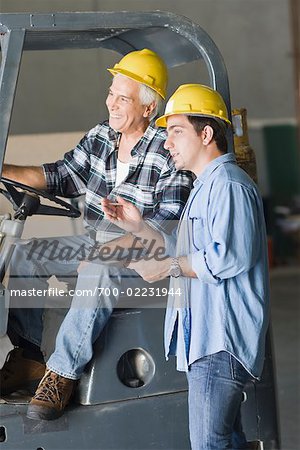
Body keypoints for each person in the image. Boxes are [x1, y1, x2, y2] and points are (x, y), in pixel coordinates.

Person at [0, 49, 193, 421]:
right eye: (111, 93)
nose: (112, 104)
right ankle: (28, 357)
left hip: (145, 257)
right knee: (26, 254)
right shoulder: (101, 137)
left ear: (149, 108)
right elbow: (58, 175)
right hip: (95, 242)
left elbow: (164, 230)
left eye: (124, 98)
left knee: (98, 268)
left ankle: (61, 374)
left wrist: (111, 252)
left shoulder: (167, 150)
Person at [102, 84, 270, 449]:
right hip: (205, 341)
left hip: (220, 342)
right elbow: (186, 249)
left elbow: (228, 257)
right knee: (226, 439)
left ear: (206, 133)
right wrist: (137, 226)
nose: (167, 143)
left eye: (176, 131)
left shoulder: (228, 185)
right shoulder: (204, 188)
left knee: (209, 443)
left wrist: (167, 269)